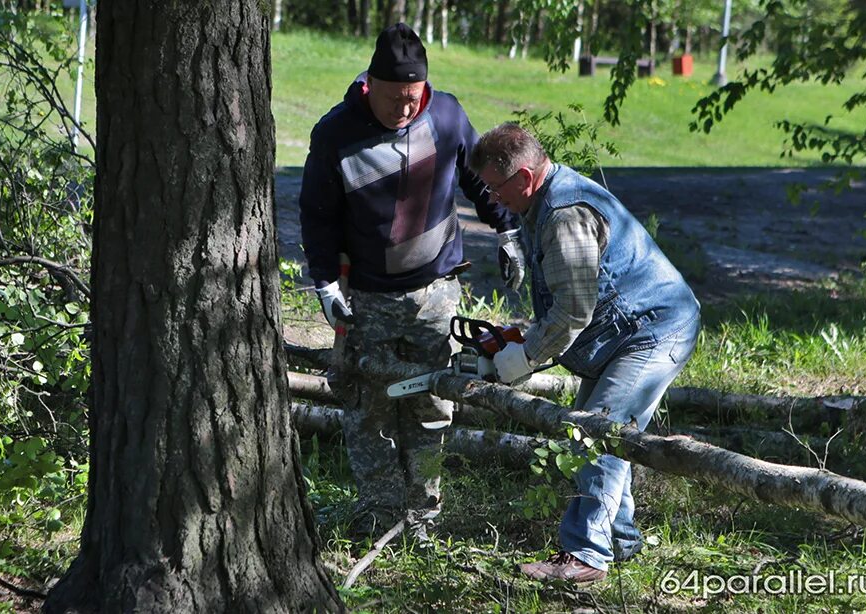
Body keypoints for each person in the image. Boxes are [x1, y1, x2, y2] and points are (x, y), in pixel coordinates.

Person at [298, 24, 522, 539]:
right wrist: (326, 284)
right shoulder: (335, 134)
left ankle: (421, 518)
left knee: (431, 407)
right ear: (369, 85)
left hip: (437, 290)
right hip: (367, 297)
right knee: (366, 409)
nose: (405, 109)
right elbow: (317, 216)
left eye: (414, 97)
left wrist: (507, 229)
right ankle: (379, 516)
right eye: (395, 98)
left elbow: (477, 178)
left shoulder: (445, 115)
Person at [469, 123, 701, 583]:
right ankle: (620, 538)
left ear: (525, 178)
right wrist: (521, 331)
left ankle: (585, 556)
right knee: (604, 431)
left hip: (653, 329)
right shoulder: (542, 201)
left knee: (594, 435)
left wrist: (523, 359)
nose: (493, 199)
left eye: (497, 189)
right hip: (623, 330)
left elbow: (573, 311)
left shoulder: (563, 215)